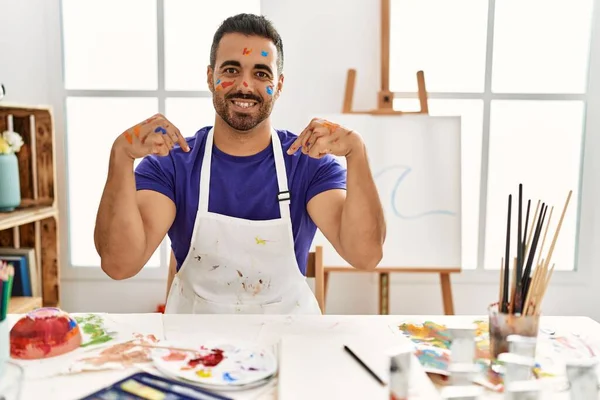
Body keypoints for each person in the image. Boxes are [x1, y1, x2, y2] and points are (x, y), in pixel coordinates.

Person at [94, 13, 385, 315]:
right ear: (210, 77)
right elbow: (119, 265)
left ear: (279, 84)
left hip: (290, 345)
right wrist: (121, 157)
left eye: (261, 73)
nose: (245, 85)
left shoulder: (307, 163)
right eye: (231, 70)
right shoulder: (173, 163)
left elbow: (365, 256)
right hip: (193, 348)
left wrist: (357, 154)